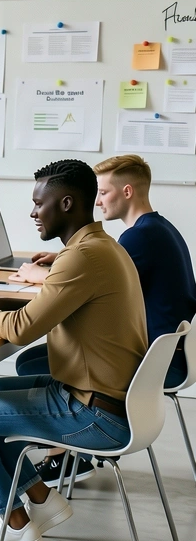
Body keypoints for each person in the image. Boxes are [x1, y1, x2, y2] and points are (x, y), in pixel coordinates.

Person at [0, 159, 147, 541]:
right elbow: (49, 306)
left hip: (94, 415)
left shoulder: (83, 257)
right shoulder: (99, 247)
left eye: (37, 204)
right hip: (94, 395)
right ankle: (41, 498)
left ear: (65, 204)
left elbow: (23, 328)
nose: (32, 213)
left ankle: (11, 520)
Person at [13, 155, 196, 486]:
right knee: (39, 358)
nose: (96, 202)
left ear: (127, 192)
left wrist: (44, 275)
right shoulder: (157, 228)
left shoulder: (137, 238)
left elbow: (92, 287)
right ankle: (68, 449)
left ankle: (69, 451)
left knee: (35, 363)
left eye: (103, 193)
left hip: (147, 365)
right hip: (163, 356)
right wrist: (63, 262)